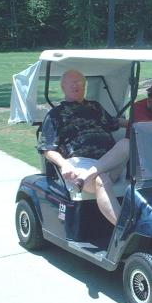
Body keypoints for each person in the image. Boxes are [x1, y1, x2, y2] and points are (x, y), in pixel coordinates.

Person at [38, 70, 129, 225]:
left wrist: (139, 123)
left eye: (80, 82)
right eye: (71, 82)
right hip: (80, 164)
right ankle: (123, 228)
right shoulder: (55, 114)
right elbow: (47, 149)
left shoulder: (95, 107)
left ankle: (86, 178)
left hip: (108, 163)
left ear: (85, 85)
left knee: (127, 143)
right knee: (101, 178)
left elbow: (114, 122)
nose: (76, 85)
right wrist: (64, 164)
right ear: (63, 87)